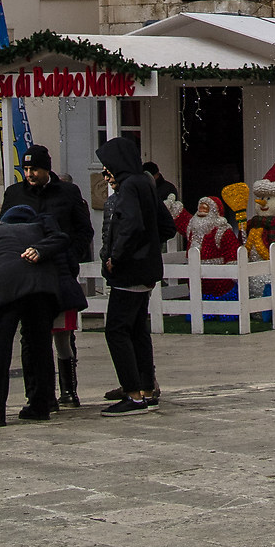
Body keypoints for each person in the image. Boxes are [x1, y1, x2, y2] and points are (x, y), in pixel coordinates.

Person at [2, 144, 95, 405]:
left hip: (59, 273)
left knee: (62, 334)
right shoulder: (14, 194)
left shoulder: (67, 193)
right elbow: (4, 231)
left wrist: (70, 257)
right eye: (27, 169)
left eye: (35, 169)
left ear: (47, 169)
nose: (30, 174)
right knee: (30, 336)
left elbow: (83, 230)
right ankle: (38, 393)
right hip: (27, 274)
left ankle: (68, 389)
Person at [0, 205, 68, 425]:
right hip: (42, 290)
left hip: (6, 289)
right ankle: (41, 406)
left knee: (0, 349)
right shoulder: (38, 230)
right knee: (41, 347)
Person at [97, 135, 164, 414]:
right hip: (146, 270)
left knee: (116, 330)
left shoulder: (128, 188)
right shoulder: (145, 183)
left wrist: (116, 257)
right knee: (137, 330)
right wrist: (150, 246)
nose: (105, 173)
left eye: (107, 167)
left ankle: (133, 393)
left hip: (130, 271)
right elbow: (166, 225)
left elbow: (130, 226)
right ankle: (145, 387)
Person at [166, 192, 242, 300]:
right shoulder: (193, 228)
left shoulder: (222, 231)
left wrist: (233, 272)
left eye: (206, 209)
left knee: (225, 309)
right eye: (200, 209)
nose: (201, 212)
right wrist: (173, 208)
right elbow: (182, 219)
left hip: (221, 284)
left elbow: (232, 252)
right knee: (198, 306)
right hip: (197, 284)